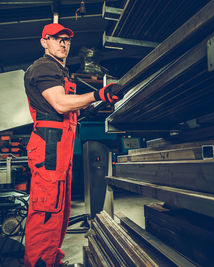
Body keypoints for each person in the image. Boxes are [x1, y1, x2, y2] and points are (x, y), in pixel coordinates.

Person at [24, 23, 120, 267]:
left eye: (66, 39)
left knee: (59, 213)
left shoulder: (60, 71)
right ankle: (39, 263)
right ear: (44, 41)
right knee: (46, 212)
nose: (63, 43)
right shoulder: (44, 67)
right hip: (49, 148)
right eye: (56, 39)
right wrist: (97, 95)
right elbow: (60, 104)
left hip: (59, 148)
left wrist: (91, 104)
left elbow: (67, 108)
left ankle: (52, 260)